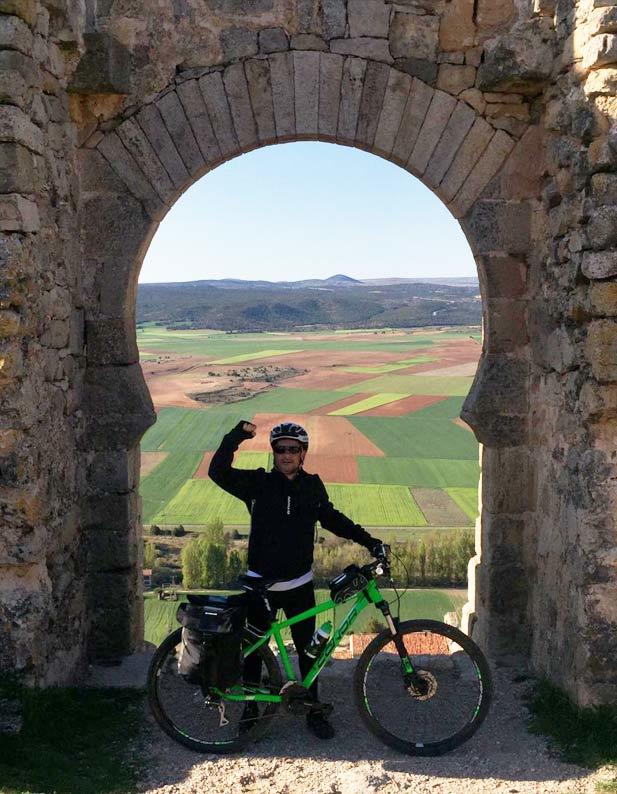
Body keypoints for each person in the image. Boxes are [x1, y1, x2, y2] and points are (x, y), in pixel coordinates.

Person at [208, 419, 383, 740]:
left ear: (303, 453)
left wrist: (370, 541)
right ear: (273, 452)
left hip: (299, 585)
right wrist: (235, 437)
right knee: (253, 651)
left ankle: (311, 708)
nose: (286, 455)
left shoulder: (312, 486)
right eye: (280, 449)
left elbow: (335, 520)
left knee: (309, 652)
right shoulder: (257, 484)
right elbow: (217, 472)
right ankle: (250, 711)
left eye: (293, 449)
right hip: (259, 585)